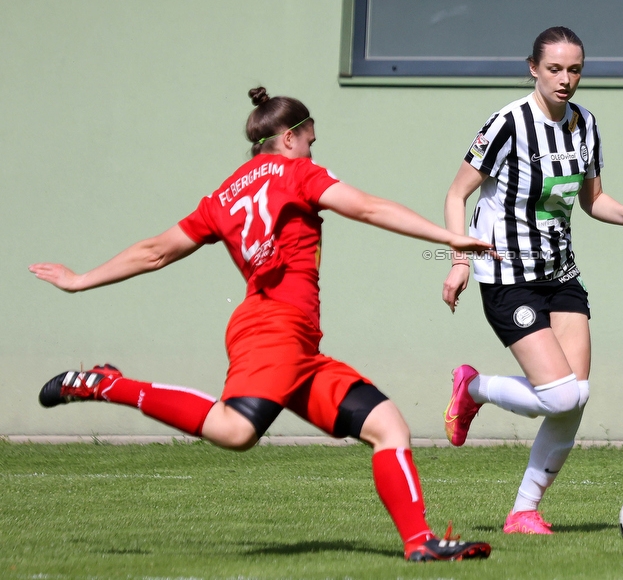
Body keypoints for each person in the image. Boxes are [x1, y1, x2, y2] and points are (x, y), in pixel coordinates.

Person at [30, 87, 493, 563]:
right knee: (235, 432)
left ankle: (421, 544)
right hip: (273, 328)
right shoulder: (298, 173)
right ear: (290, 138)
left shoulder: (224, 193)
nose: (314, 149)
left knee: (388, 425)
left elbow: (156, 251)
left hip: (294, 342)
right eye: (311, 140)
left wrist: (81, 280)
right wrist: (452, 237)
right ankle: (107, 385)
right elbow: (368, 207)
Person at [441, 27, 623, 535]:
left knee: (575, 396)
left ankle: (523, 511)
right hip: (506, 273)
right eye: (555, 69)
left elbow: (590, 200)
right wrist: (458, 260)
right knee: (559, 395)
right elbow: (457, 195)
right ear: (534, 69)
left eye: (575, 69)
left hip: (560, 272)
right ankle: (472, 388)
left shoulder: (586, 124)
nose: (566, 80)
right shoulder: (507, 123)